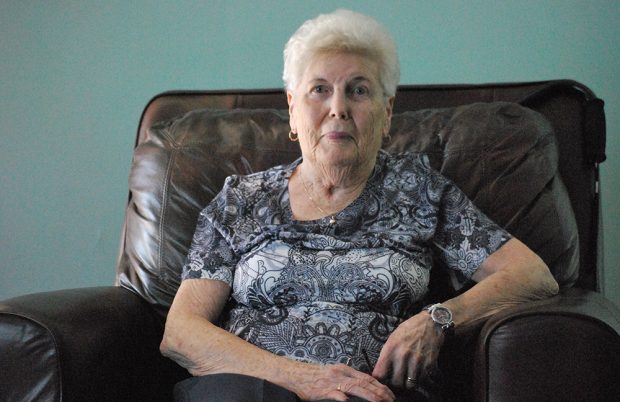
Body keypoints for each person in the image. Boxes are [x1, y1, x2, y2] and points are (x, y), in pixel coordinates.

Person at [160, 9, 559, 402]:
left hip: (372, 393)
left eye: (358, 90)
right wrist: (302, 379)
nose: (338, 108)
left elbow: (531, 276)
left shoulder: (420, 191)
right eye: (319, 89)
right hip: (248, 390)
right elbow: (181, 333)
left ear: (386, 114)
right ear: (292, 110)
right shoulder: (241, 200)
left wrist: (438, 319)